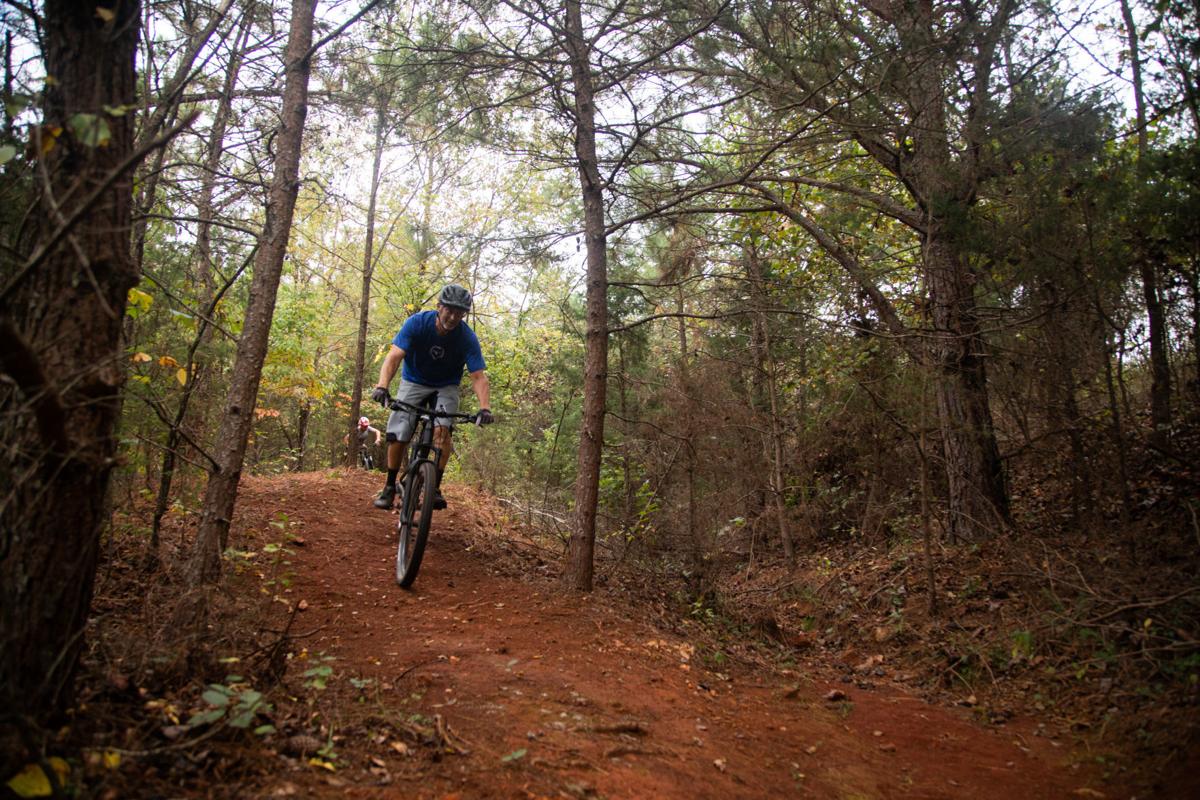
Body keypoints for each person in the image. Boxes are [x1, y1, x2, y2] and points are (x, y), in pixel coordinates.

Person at [370, 284, 494, 510]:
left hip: (446, 385)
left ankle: (434, 486)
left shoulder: (466, 337)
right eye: (449, 310)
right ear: (439, 307)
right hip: (414, 380)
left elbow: (478, 376)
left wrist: (485, 408)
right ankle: (389, 486)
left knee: (442, 431)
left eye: (459, 313)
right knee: (399, 432)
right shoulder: (418, 323)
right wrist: (382, 386)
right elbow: (395, 356)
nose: (453, 316)